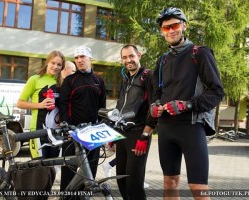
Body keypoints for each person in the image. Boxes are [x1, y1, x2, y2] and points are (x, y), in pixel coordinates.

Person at [150, 7, 225, 199]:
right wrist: (155, 105)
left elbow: (217, 92)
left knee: (197, 187)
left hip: (191, 128)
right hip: (166, 128)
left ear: (183, 26)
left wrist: (187, 104)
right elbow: (157, 93)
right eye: (166, 28)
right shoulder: (162, 60)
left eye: (174, 25)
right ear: (162, 31)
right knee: (169, 184)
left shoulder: (199, 53)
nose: (171, 30)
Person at [59, 46, 106, 193]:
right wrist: (66, 127)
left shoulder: (99, 80)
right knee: (69, 169)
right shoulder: (70, 80)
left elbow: (102, 108)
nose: (79, 60)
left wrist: (102, 128)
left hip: (92, 132)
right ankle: (66, 196)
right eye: (77, 57)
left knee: (91, 169)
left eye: (82, 57)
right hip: (73, 133)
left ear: (90, 58)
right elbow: (63, 105)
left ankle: (84, 196)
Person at [115, 44, 156, 200]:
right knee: (121, 180)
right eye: (124, 57)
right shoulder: (126, 78)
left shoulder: (148, 76)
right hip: (122, 133)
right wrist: (113, 132)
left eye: (131, 56)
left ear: (139, 55)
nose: (128, 60)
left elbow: (154, 108)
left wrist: (145, 136)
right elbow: (120, 106)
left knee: (134, 182)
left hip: (138, 134)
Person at [17, 50, 65, 159]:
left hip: (56, 132)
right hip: (37, 131)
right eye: (53, 63)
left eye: (59, 64)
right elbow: (20, 103)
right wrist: (40, 105)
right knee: (38, 168)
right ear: (47, 62)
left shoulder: (62, 82)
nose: (55, 67)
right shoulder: (35, 79)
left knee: (52, 169)